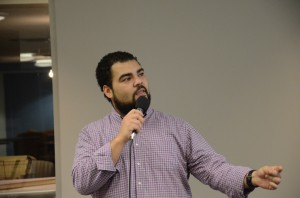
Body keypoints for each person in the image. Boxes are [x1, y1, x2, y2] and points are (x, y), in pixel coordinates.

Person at [72, 51, 283, 198]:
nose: (139, 82)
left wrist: (249, 177)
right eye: (127, 78)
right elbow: (82, 183)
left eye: (141, 73)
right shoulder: (92, 133)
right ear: (108, 91)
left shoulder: (177, 128)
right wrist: (118, 140)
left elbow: (213, 168)